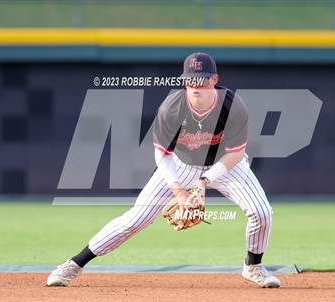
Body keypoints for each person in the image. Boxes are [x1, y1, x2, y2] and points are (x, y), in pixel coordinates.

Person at [47, 52, 281, 288]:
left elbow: (236, 154)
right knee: (134, 220)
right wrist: (179, 192)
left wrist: (204, 181)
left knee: (261, 212)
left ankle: (253, 267)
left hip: (226, 166)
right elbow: (162, 154)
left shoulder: (233, 106)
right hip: (179, 164)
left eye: (201, 78)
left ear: (214, 80)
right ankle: (73, 265)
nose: (195, 84)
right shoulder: (171, 108)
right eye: (190, 79)